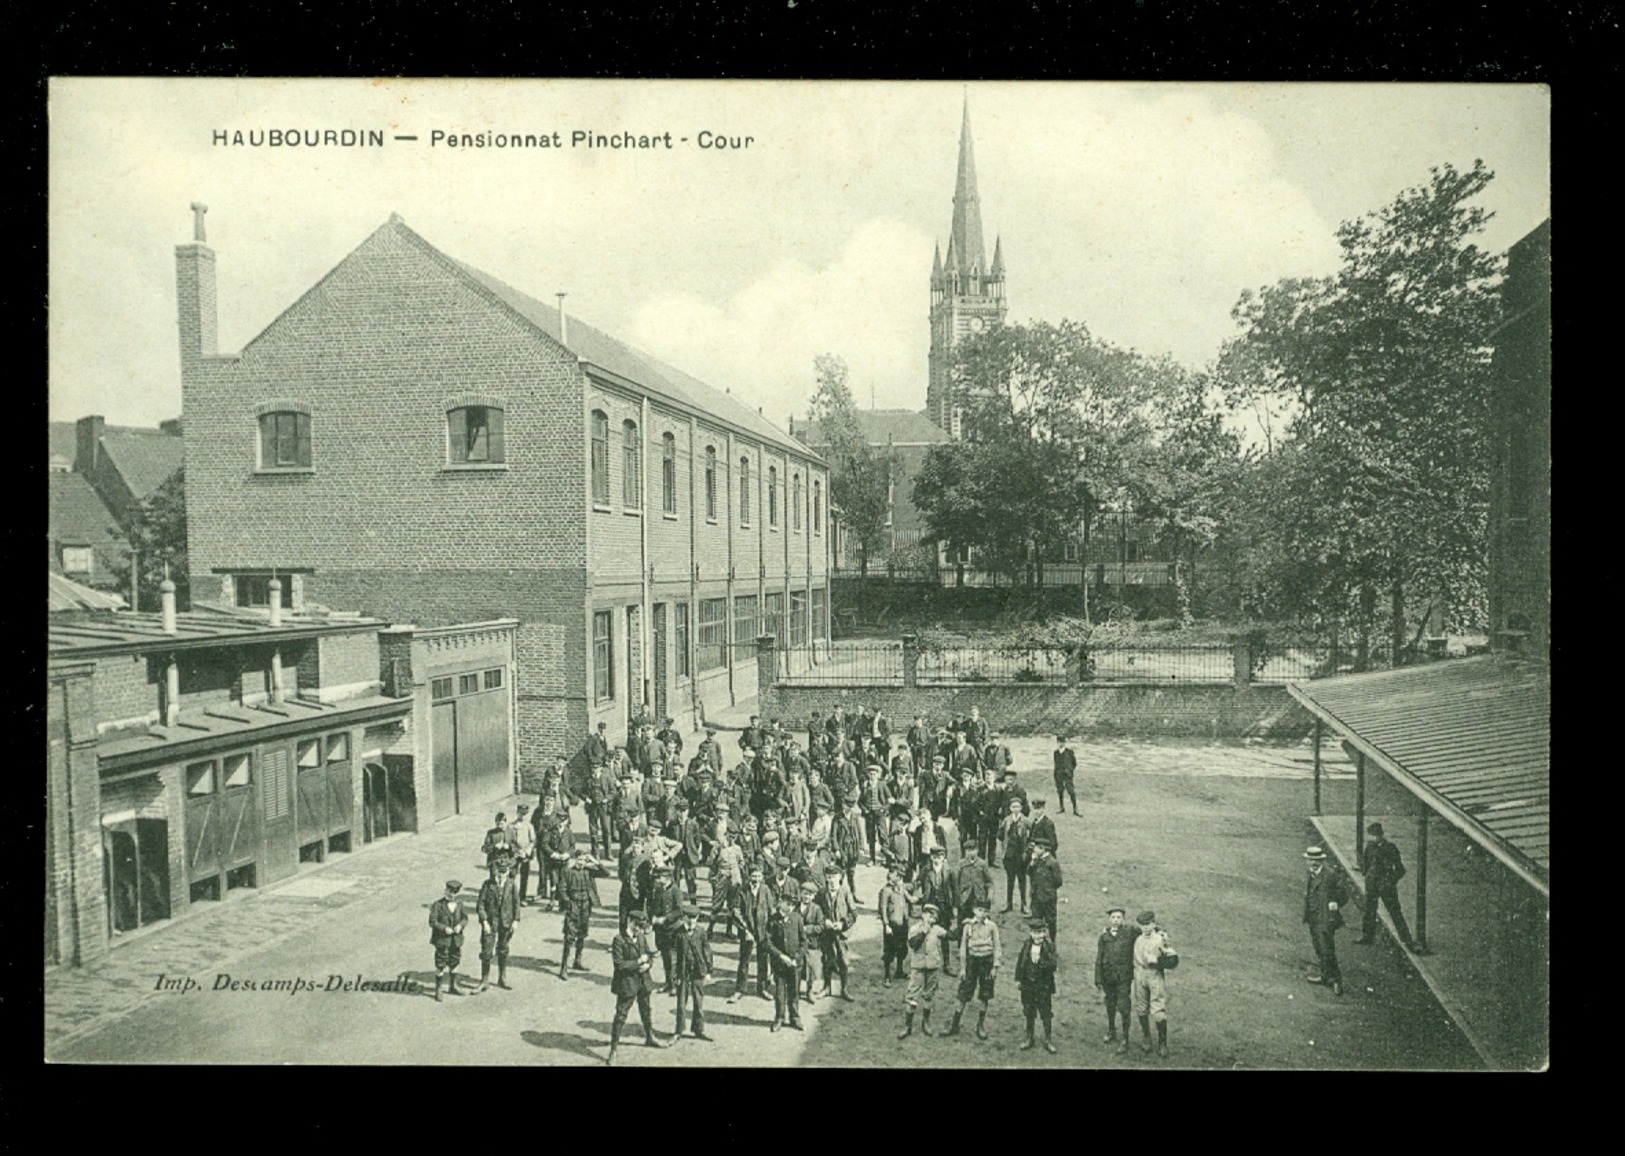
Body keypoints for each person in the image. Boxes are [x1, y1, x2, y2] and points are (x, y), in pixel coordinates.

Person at [606, 910, 668, 1065]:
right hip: (627, 984)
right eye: (637, 925)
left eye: (641, 927)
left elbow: (649, 954)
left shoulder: (641, 937)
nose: (639, 929)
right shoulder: (619, 940)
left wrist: (648, 965)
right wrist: (639, 962)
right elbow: (619, 965)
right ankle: (613, 1050)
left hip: (643, 981)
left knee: (646, 1010)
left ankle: (649, 1037)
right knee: (621, 1016)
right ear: (629, 921)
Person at [1355, 823, 1424, 952]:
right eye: (1371, 835)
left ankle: (1407, 940)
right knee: (1369, 910)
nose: (1373, 838)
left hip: (1386, 887)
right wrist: (1367, 873)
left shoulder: (1390, 848)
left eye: (1376, 835)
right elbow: (1365, 862)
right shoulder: (1369, 847)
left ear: (1381, 835)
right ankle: (1367, 936)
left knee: (1395, 912)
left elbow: (1400, 870)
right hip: (1371, 885)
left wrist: (1389, 881)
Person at [942, 896, 1001, 1039]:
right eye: (980, 910)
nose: (982, 913)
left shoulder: (992, 926)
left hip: (986, 962)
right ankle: (955, 1024)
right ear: (974, 910)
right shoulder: (968, 926)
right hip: (972, 962)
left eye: (985, 911)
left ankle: (980, 1025)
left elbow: (997, 947)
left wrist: (995, 966)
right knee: (963, 993)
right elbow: (963, 948)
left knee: (985, 994)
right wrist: (963, 968)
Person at [1094, 905, 1141, 1051]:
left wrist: (1160, 934)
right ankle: (1111, 1030)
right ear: (1109, 920)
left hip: (1123, 978)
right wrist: (1098, 978)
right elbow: (1099, 958)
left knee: (1124, 1007)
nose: (1115, 920)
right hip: (1108, 978)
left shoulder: (1130, 932)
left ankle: (1125, 1038)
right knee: (1110, 1004)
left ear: (1123, 919)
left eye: (1119, 917)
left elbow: (1146, 931)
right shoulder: (1104, 937)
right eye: (1113, 917)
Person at [473, 851, 522, 992]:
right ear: (495, 871)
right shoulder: (488, 885)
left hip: (505, 923)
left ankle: (502, 978)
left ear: (508, 872)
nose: (501, 875)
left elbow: (516, 904)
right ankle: (484, 980)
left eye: (504, 872)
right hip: (490, 922)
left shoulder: (512, 885)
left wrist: (515, 920)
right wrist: (484, 922)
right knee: (487, 951)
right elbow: (480, 905)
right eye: (499, 872)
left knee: (503, 950)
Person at [1303, 844, 1348, 995]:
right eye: (1310, 860)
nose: (1313, 863)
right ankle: (1324, 975)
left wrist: (1334, 902)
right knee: (1318, 948)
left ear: (1322, 861)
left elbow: (1343, 894)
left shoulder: (1330, 875)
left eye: (1316, 860)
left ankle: (1336, 982)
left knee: (1328, 949)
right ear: (1307, 861)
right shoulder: (1311, 873)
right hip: (1313, 917)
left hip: (1326, 918)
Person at [899, 901, 948, 1039]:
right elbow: (913, 944)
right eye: (930, 916)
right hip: (918, 968)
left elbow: (950, 936)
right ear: (923, 914)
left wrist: (966, 925)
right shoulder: (915, 928)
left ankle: (926, 1022)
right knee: (912, 996)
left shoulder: (937, 929)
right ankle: (907, 1026)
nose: (932, 920)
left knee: (929, 995)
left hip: (932, 967)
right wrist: (923, 932)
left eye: (934, 917)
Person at [1131, 910, 1176, 1057]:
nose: (1145, 927)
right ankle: (1146, 1037)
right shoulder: (1138, 939)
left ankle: (1162, 1043)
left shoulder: (1160, 939)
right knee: (1141, 1008)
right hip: (1140, 975)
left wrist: (1157, 961)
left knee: (1158, 1010)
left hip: (1154, 975)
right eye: (1142, 925)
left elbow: (1173, 960)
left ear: (1154, 924)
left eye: (1148, 924)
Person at [558, 849, 607, 981]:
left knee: (582, 933)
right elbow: (561, 889)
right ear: (575, 860)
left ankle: (577, 961)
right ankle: (564, 967)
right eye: (579, 859)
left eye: (584, 860)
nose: (581, 862)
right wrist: (568, 903)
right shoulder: (568, 872)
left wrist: (595, 861)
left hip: (586, 905)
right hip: (573, 905)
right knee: (569, 936)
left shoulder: (589, 871)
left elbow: (606, 873)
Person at [731, 863, 776, 1002]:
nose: (755, 879)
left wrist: (769, 930)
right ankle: (740, 989)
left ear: (762, 877)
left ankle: (762, 988)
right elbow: (735, 910)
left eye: (758, 876)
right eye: (753, 876)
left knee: (763, 960)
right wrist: (745, 930)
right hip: (748, 930)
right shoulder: (742, 890)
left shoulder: (765, 889)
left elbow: (771, 909)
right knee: (744, 960)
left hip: (762, 930)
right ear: (748, 877)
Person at [910, 844, 957, 975]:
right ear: (931, 857)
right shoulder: (925, 870)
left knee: (945, 935)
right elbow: (917, 884)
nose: (937, 859)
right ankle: (925, 962)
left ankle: (947, 964)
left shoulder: (949, 871)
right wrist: (916, 890)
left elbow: (955, 890)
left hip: (944, 907)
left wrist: (955, 908)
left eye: (940, 856)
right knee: (926, 932)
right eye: (935, 857)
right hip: (929, 906)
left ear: (944, 857)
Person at [1015, 915, 1059, 1052]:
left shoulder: (1049, 947)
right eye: (1035, 933)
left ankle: (1048, 1039)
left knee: (1046, 1013)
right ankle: (1030, 1037)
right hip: (1028, 985)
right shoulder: (1027, 944)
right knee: (1029, 1011)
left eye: (1041, 932)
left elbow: (1053, 965)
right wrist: (1018, 979)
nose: (1038, 936)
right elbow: (1020, 962)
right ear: (1030, 933)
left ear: (1045, 932)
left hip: (1043, 986)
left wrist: (1040, 962)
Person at [671, 901, 714, 1040]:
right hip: (683, 972)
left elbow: (707, 951)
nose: (691, 921)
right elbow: (674, 955)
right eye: (689, 917)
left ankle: (698, 1030)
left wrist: (708, 971)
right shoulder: (678, 933)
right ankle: (678, 1031)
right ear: (684, 917)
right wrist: (674, 975)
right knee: (681, 1004)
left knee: (698, 1003)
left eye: (694, 918)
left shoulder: (701, 932)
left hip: (698, 971)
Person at [767, 890, 807, 1032]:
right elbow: (768, 943)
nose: (789, 907)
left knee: (794, 992)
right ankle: (779, 1018)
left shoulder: (797, 919)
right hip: (779, 965)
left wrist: (796, 958)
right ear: (780, 902)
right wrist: (780, 956)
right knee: (779, 993)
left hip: (795, 965)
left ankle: (795, 1017)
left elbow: (803, 942)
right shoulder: (772, 920)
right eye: (787, 904)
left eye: (792, 905)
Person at [815, 863, 858, 1000]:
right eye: (829, 877)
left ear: (840, 877)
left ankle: (844, 989)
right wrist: (824, 922)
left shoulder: (845, 891)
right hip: (827, 933)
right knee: (827, 960)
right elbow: (816, 911)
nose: (832, 880)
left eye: (834, 877)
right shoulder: (821, 893)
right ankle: (827, 987)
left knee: (843, 961)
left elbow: (853, 913)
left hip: (841, 934)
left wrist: (843, 924)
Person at [428, 878, 469, 1002]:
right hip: (442, 940)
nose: (452, 895)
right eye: (450, 892)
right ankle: (438, 988)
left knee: (454, 961)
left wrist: (460, 926)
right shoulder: (437, 905)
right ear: (445, 891)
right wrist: (444, 929)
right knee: (440, 963)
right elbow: (432, 921)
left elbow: (465, 918)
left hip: (456, 940)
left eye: (455, 893)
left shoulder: (460, 905)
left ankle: (453, 985)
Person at [647, 862, 685, 992]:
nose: (658, 880)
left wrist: (665, 919)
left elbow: (679, 911)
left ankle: (675, 985)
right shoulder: (657, 890)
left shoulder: (676, 891)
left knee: (673, 957)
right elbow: (652, 906)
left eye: (660, 877)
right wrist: (652, 917)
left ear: (668, 878)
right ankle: (668, 982)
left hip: (672, 929)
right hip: (660, 930)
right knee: (665, 957)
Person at [533, 793, 572, 908]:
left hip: (554, 847)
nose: (548, 802)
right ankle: (542, 891)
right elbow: (533, 826)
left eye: (551, 800)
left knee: (555, 872)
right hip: (542, 844)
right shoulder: (538, 813)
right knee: (542, 869)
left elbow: (565, 831)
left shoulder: (558, 815)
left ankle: (555, 895)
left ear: (554, 802)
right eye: (547, 800)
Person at [877, 859, 912, 987]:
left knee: (902, 948)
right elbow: (882, 909)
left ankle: (899, 970)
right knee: (889, 951)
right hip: (892, 925)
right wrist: (886, 925)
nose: (901, 879)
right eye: (899, 876)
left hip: (903, 924)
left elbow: (910, 899)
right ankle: (887, 976)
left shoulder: (901, 889)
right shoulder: (886, 891)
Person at [999, 796, 1031, 914]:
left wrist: (1027, 851)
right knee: (1010, 879)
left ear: (1021, 808)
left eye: (1017, 806)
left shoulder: (1026, 821)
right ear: (1010, 808)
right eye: (1013, 806)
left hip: (1021, 855)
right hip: (1009, 855)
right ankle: (1008, 903)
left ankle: (1024, 904)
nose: (1015, 809)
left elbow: (1032, 836)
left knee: (1022, 880)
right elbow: (1000, 835)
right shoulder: (1007, 820)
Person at [796, 878, 825, 1004]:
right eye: (804, 893)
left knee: (811, 969)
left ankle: (809, 991)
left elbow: (821, 926)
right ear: (800, 894)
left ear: (813, 896)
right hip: (797, 944)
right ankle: (795, 991)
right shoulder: (795, 907)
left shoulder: (816, 909)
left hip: (812, 944)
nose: (807, 896)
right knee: (797, 967)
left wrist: (808, 929)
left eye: (810, 894)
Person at [1029, 838, 1063, 942]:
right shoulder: (1036, 860)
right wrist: (1032, 861)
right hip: (1036, 896)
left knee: (1051, 921)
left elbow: (1058, 882)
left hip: (1048, 898)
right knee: (1036, 920)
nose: (1034, 850)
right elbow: (1029, 872)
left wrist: (1047, 890)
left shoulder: (1052, 863)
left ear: (1042, 849)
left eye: (1036, 848)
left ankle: (1052, 942)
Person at [511, 803, 536, 905]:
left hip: (525, 855)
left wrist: (526, 852)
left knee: (524, 876)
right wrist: (516, 851)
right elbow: (509, 840)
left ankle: (522, 897)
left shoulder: (529, 826)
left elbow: (533, 841)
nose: (523, 816)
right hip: (515, 855)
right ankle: (512, 897)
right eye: (521, 814)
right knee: (512, 875)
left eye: (525, 814)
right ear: (517, 813)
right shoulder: (511, 826)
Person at [1053, 735, 1079, 816]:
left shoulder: (1070, 752)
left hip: (1067, 775)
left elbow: (1074, 763)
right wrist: (1056, 773)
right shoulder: (1056, 753)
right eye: (1059, 742)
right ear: (1057, 743)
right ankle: (1061, 807)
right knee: (1060, 791)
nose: (1061, 744)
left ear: (1065, 742)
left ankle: (1075, 809)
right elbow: (1056, 764)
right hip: (1058, 774)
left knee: (1071, 791)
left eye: (1062, 742)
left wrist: (1070, 770)